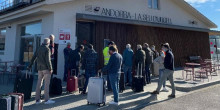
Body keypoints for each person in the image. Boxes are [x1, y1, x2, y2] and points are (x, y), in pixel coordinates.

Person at [27, 38, 55, 104]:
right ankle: (47, 99)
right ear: (48, 43)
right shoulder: (47, 49)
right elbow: (48, 60)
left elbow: (33, 57)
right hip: (46, 69)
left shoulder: (38, 48)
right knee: (46, 85)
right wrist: (50, 68)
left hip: (39, 69)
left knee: (38, 84)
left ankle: (37, 100)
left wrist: (30, 66)